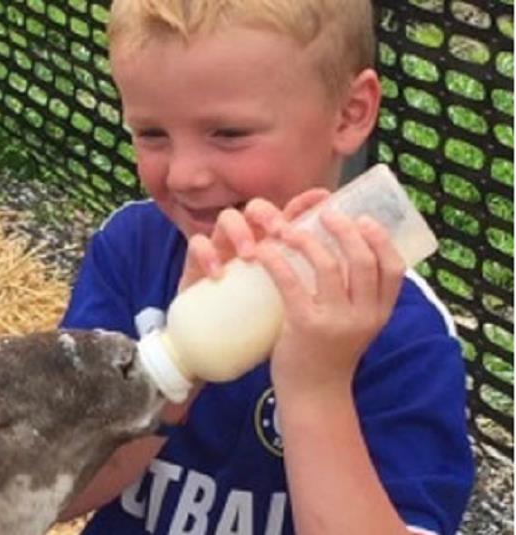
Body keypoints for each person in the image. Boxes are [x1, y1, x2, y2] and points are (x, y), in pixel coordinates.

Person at [57, 1, 475, 533]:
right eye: (151, 134)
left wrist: (317, 387)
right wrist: (167, 377)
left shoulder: (401, 331)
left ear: (349, 114)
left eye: (229, 133)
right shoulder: (130, 251)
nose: (184, 175)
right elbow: (54, 495)